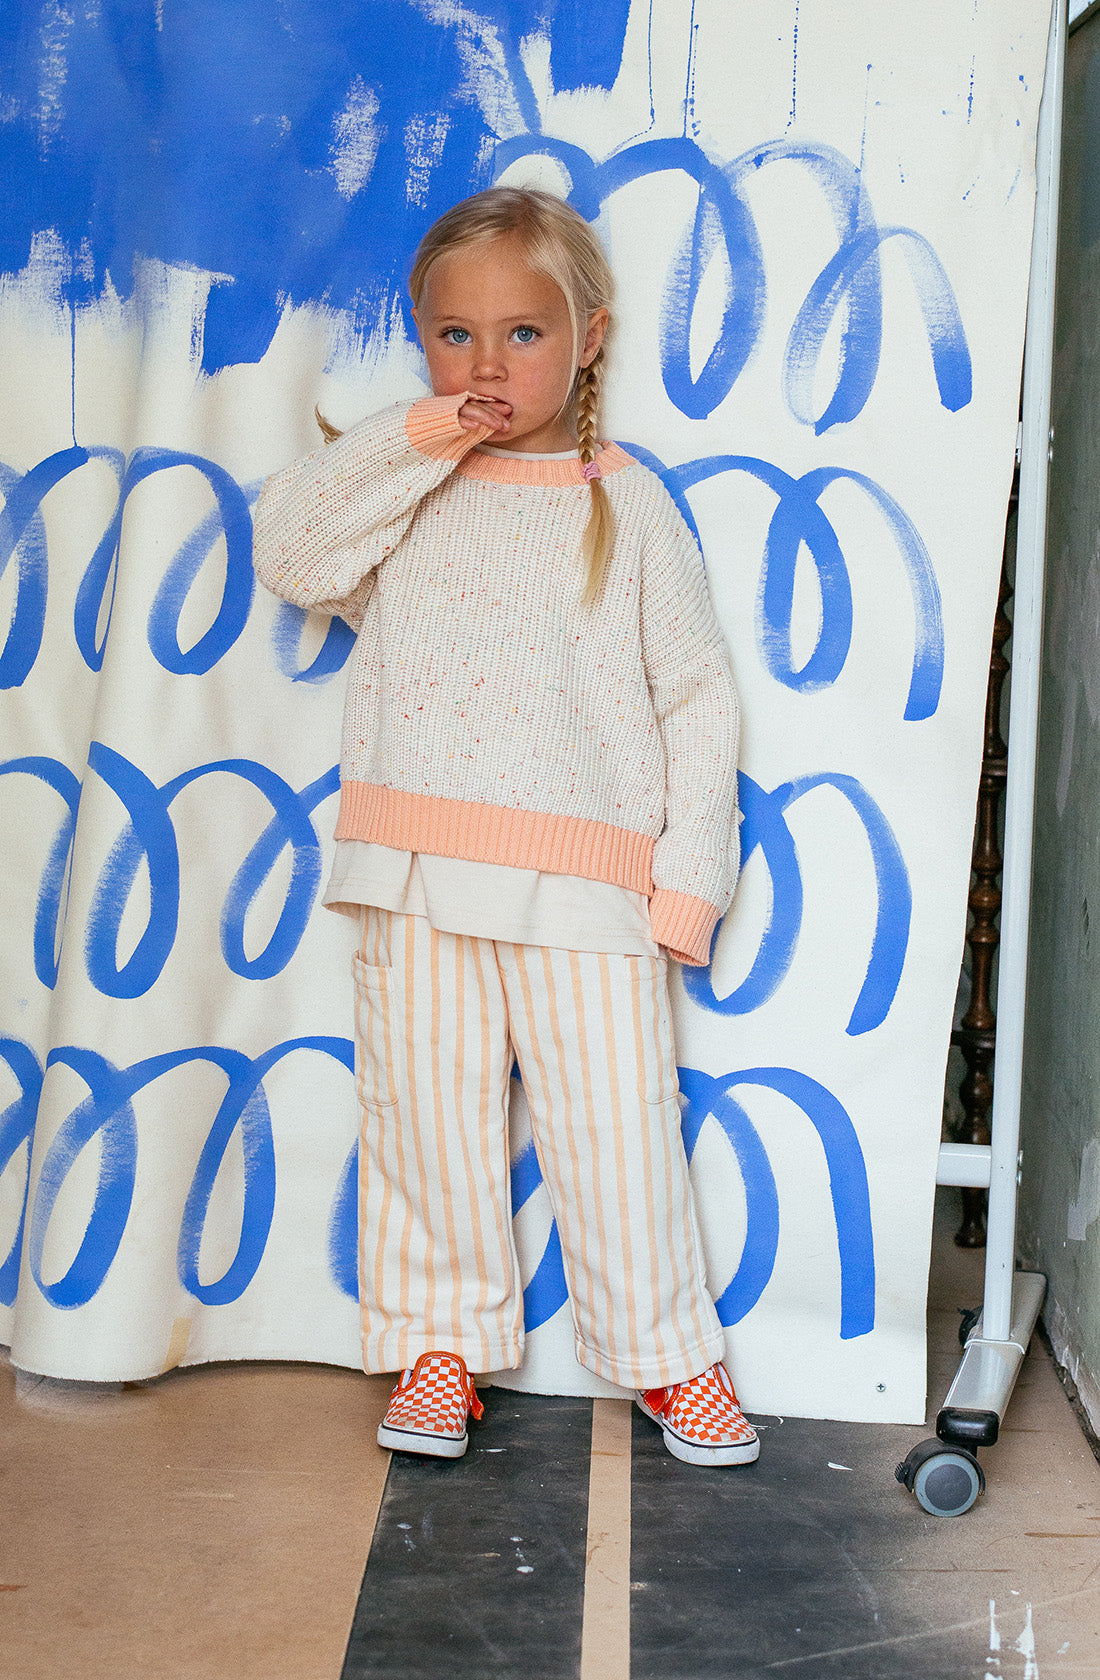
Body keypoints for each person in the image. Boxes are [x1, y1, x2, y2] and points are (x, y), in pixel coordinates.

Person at [253, 185, 757, 1469]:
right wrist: (417, 435)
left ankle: (664, 1353)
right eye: (453, 335)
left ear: (587, 337)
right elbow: (294, 554)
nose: (486, 365)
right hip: (413, 869)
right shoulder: (408, 486)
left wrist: (687, 882)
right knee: (423, 1118)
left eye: (522, 335)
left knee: (615, 1125)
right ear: (420, 339)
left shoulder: (622, 503)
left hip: (585, 885)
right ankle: (436, 1344)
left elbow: (697, 699)